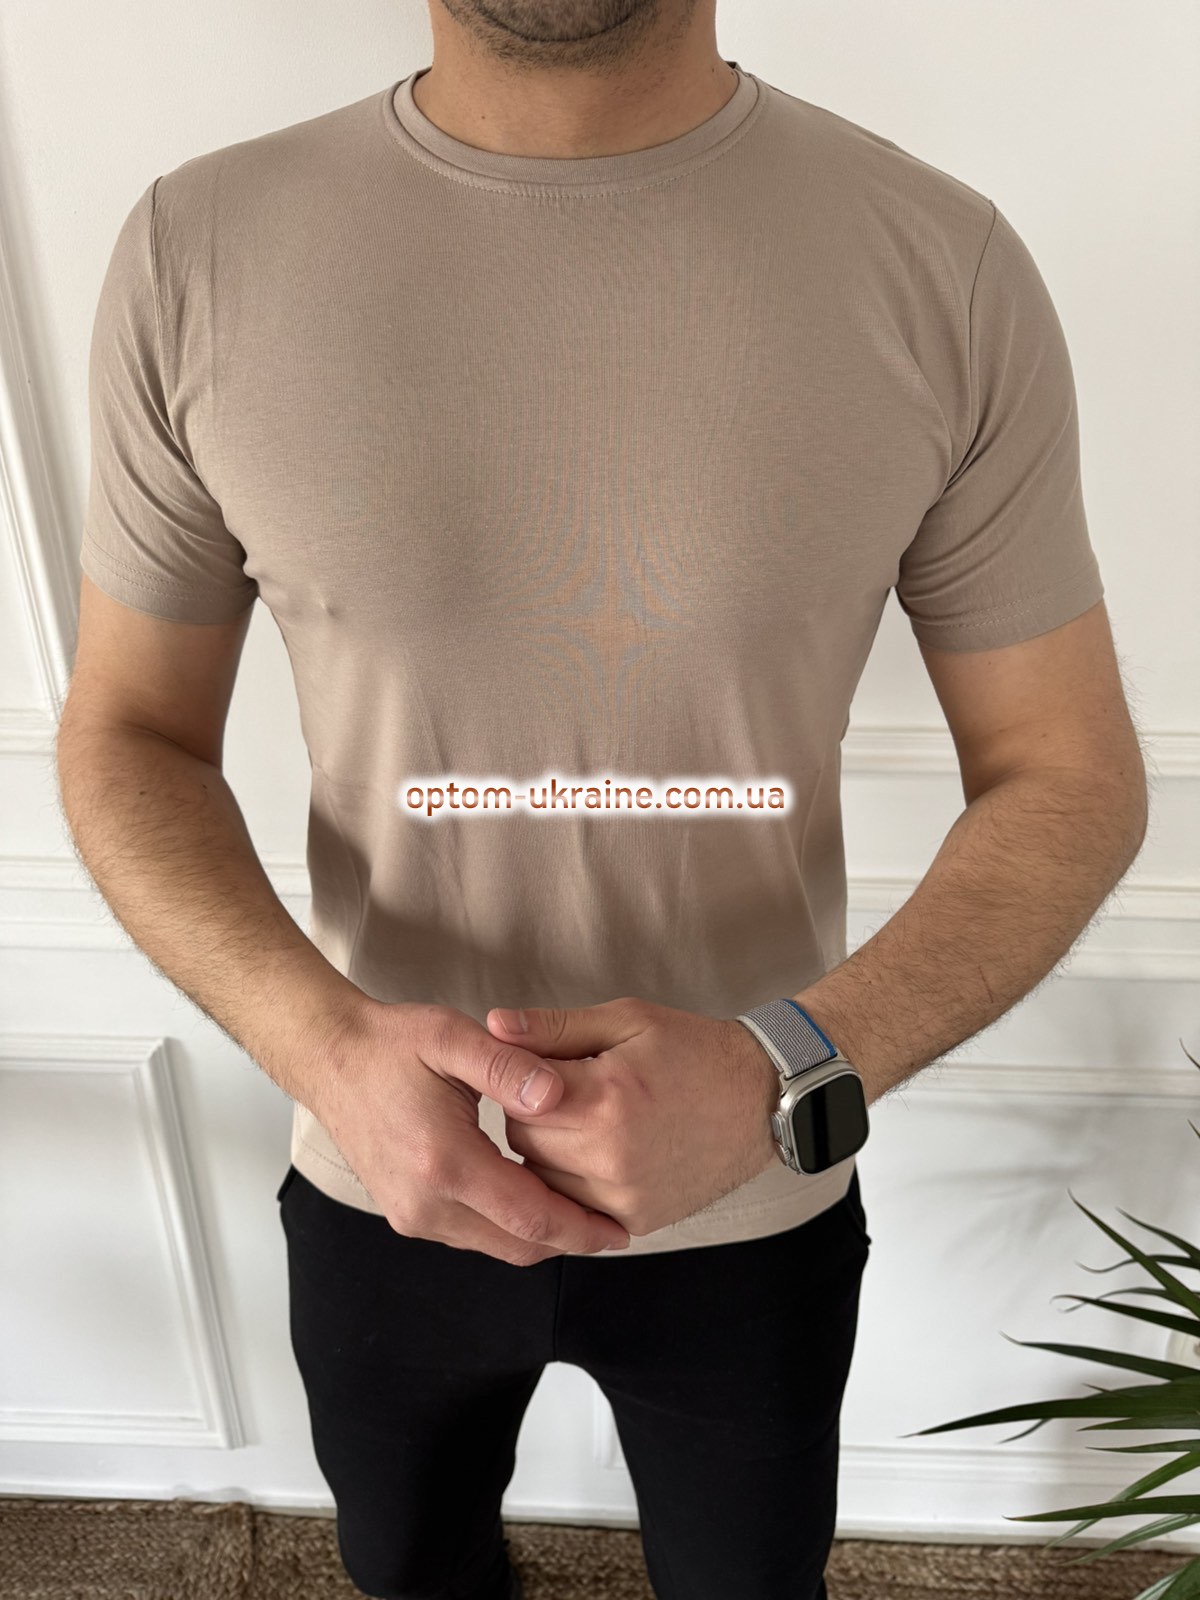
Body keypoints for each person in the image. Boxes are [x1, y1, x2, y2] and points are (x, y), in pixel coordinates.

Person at [56, 2, 1148, 1597]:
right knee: (407, 1573)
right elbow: (130, 733)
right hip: (376, 1177)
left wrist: (784, 1069)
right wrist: (325, 1051)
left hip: (755, 1192)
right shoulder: (199, 250)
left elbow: (1069, 772)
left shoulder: (939, 265)